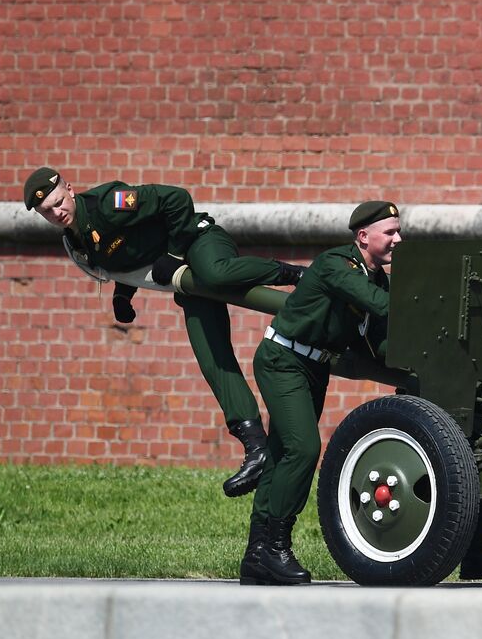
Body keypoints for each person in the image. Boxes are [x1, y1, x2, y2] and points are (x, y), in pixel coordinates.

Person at [239, 201, 482, 585]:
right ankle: (274, 548)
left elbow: (380, 339)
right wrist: (436, 307)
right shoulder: (337, 265)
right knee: (302, 449)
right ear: (363, 236)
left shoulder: (376, 278)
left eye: (399, 231)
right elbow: (380, 306)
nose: (398, 239)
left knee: (281, 454)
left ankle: (257, 556)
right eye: (390, 232)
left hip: (314, 365)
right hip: (283, 360)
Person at [23, 167, 304, 497]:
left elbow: (176, 199)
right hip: (185, 277)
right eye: (47, 211)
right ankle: (256, 448)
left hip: (198, 241)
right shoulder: (76, 241)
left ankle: (296, 275)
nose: (57, 212)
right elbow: (129, 255)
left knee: (214, 273)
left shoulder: (108, 203)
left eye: (58, 202)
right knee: (211, 355)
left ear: (69, 189)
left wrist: (174, 254)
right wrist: (122, 295)